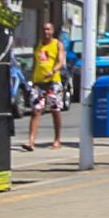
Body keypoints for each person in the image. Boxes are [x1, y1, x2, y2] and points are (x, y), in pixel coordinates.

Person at [25, 21, 67, 150]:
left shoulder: (57, 44)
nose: (46, 32)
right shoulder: (37, 45)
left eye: (48, 29)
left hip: (53, 82)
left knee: (55, 110)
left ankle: (57, 139)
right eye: (44, 29)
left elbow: (61, 62)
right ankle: (31, 141)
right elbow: (35, 63)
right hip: (39, 83)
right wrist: (31, 79)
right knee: (36, 110)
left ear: (52, 31)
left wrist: (53, 70)